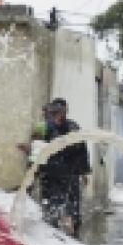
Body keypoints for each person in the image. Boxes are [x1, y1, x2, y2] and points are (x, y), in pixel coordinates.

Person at [38, 98, 90, 236]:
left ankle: (72, 238)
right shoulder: (46, 128)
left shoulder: (72, 128)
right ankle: (52, 241)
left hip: (68, 176)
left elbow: (81, 150)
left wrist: (84, 172)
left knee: (70, 211)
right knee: (50, 211)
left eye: (57, 113)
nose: (51, 117)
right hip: (50, 176)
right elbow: (38, 150)